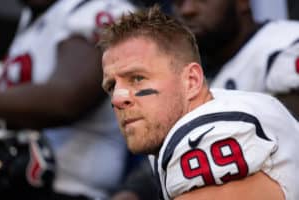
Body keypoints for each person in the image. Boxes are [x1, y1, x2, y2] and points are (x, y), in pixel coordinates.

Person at [99, 5, 299, 200]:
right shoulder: (197, 112)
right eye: (111, 86)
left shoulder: (211, 131)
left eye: (137, 78)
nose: (117, 98)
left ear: (191, 81)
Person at [0, 0, 136, 199]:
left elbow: (65, 99)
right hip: (19, 177)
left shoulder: (97, 7)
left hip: (70, 188)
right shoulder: (34, 19)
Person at [171, 0, 299, 118]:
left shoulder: (288, 44)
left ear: (242, 2)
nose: (187, 10)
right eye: (179, 1)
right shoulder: (181, 69)